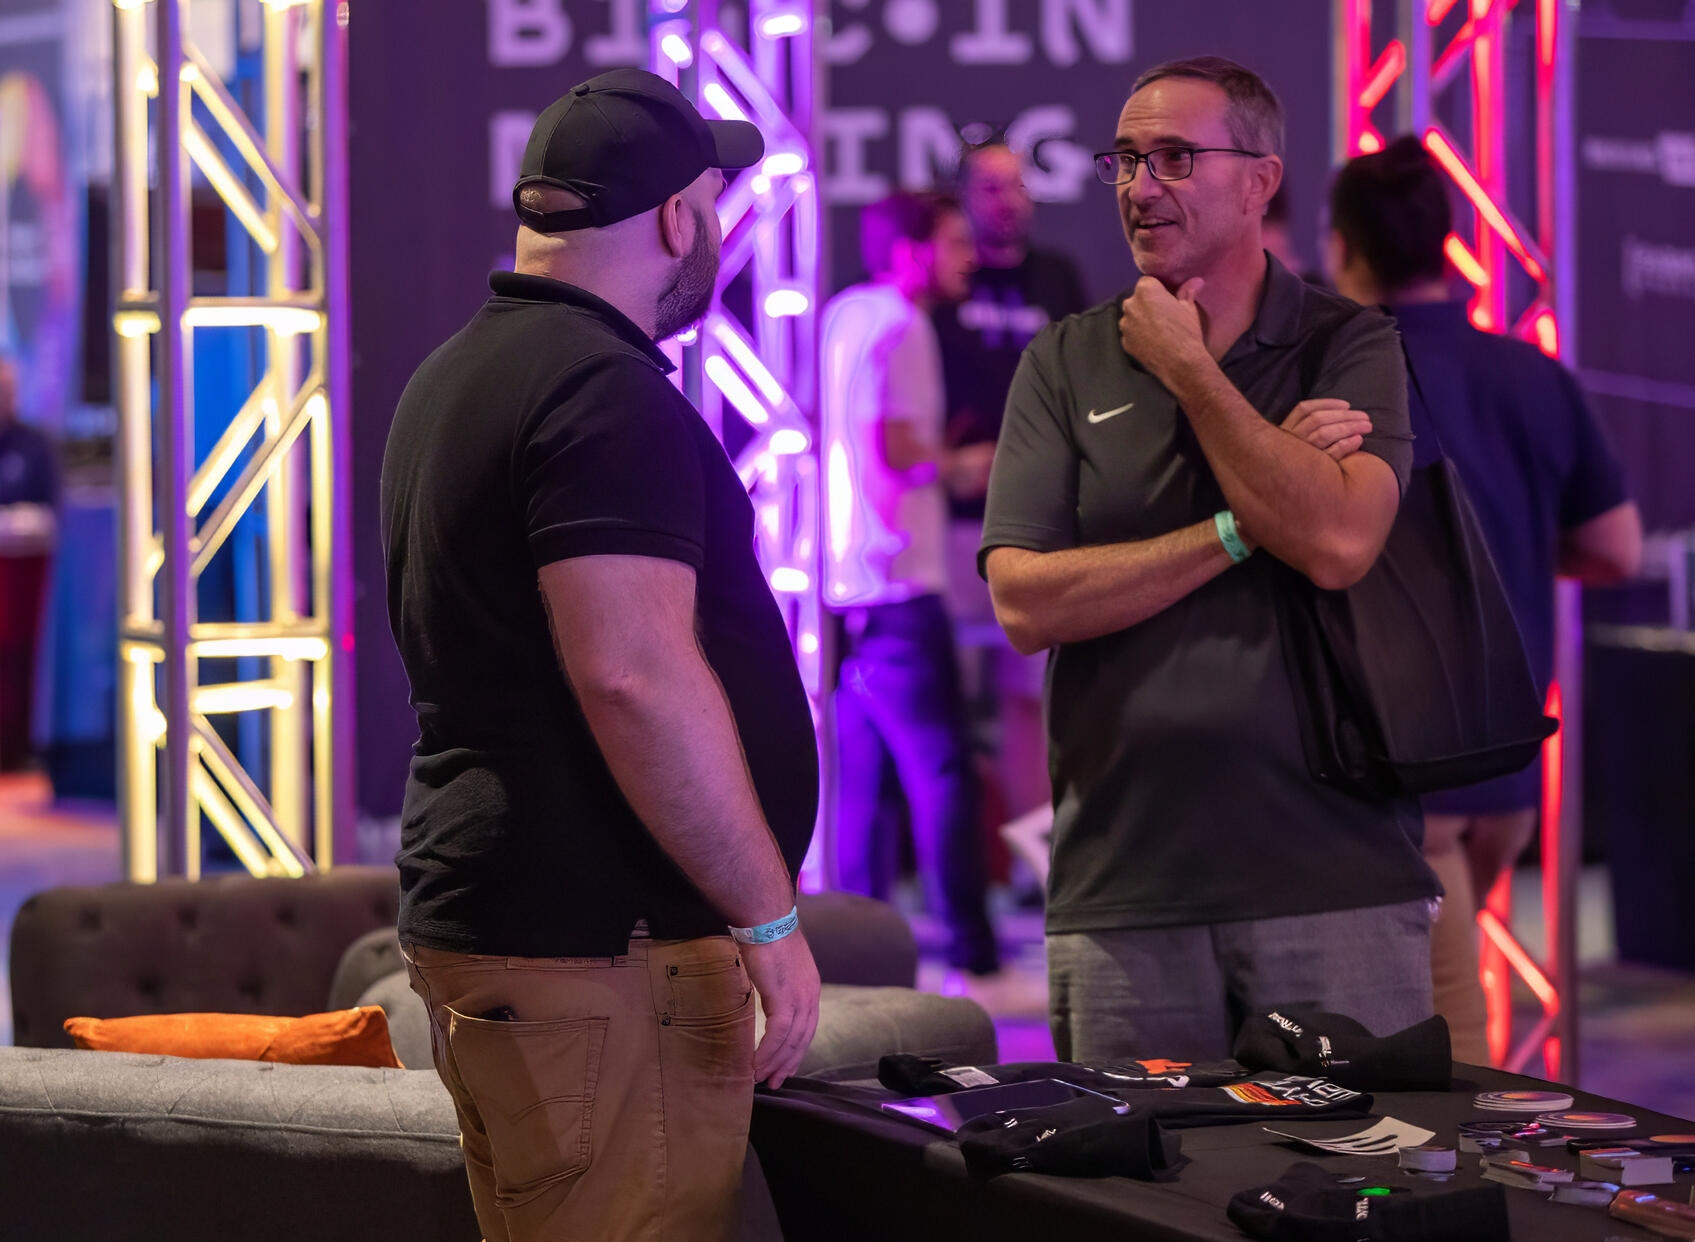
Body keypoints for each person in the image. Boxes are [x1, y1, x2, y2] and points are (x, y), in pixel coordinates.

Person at [380, 69, 820, 1242]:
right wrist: (770, 922)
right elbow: (633, 674)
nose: (718, 229)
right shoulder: (602, 393)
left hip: (518, 927)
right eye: (714, 201)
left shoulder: (458, 374)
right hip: (604, 948)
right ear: (679, 217)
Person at [980, 56, 1440, 1062]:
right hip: (1125, 887)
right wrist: (1241, 528)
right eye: (1127, 160)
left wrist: (1189, 369)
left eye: (1177, 158)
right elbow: (1024, 603)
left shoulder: (1347, 345)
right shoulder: (1063, 361)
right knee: (1129, 1212)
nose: (1142, 187)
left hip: (1337, 878)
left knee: (1368, 1196)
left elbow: (1335, 543)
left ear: (1260, 180)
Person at [1326, 136, 1642, 1065]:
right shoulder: (1531, 372)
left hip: (1397, 766)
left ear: (1344, 245)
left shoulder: (1339, 378)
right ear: (1449, 242)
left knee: (1442, 1050)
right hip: (1505, 764)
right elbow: (1615, 547)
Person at [821, 191, 1001, 976]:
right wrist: (968, 465)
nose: (970, 255)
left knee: (862, 781)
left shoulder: (843, 314)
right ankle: (973, 948)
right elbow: (893, 449)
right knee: (942, 772)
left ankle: (858, 953)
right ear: (909, 250)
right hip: (899, 580)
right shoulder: (902, 323)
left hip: (848, 583)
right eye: (955, 239)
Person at [932, 140, 1088, 831]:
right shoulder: (943, 287)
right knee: (943, 701)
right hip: (951, 519)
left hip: (1037, 519)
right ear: (964, 194)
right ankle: (955, 855)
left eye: (1016, 186)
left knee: (1031, 692)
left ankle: (1034, 860)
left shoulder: (1056, 278)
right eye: (991, 187)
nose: (1007, 200)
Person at [0, 355, 59, 770]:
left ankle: (17, 746)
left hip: (24, 578)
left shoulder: (34, 446)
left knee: (21, 660)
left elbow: (52, 512)